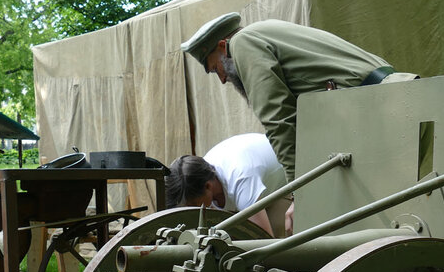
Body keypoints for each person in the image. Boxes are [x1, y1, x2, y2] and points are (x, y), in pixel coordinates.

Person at [181, 13, 416, 182]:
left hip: (383, 107)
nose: (222, 80)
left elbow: (278, 118)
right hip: (397, 94)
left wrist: (298, 190)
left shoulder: (243, 43)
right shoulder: (266, 29)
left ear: (223, 46)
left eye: (215, 69)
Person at [165, 133, 289, 236]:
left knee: (281, 232)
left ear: (208, 186)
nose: (192, 210)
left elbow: (264, 240)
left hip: (289, 179)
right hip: (258, 182)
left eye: (192, 205)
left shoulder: (241, 181)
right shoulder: (198, 174)